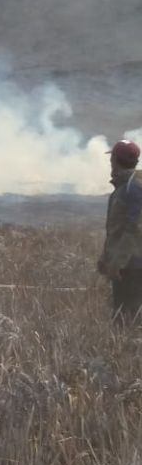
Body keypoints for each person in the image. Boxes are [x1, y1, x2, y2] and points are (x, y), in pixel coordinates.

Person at [98, 139, 142, 327]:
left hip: (132, 267)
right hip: (127, 265)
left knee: (127, 322)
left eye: (112, 158)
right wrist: (106, 257)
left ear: (115, 160)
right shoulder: (126, 187)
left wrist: (117, 262)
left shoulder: (133, 189)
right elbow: (117, 231)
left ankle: (129, 353)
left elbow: (133, 229)